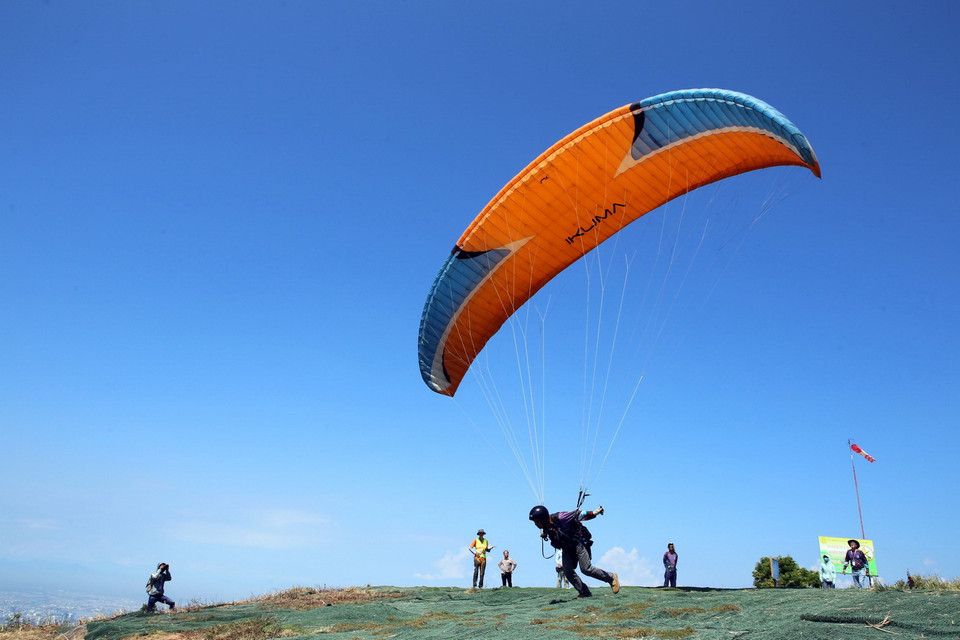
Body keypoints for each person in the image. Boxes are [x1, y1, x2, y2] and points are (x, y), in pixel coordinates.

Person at [529, 504, 619, 599]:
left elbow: (578, 514)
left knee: (586, 569)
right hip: (567, 548)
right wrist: (545, 533)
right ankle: (584, 592)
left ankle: (611, 577)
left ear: (543, 519)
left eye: (537, 521)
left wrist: (593, 513)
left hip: (578, 544)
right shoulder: (546, 526)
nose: (535, 524)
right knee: (567, 571)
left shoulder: (561, 517)